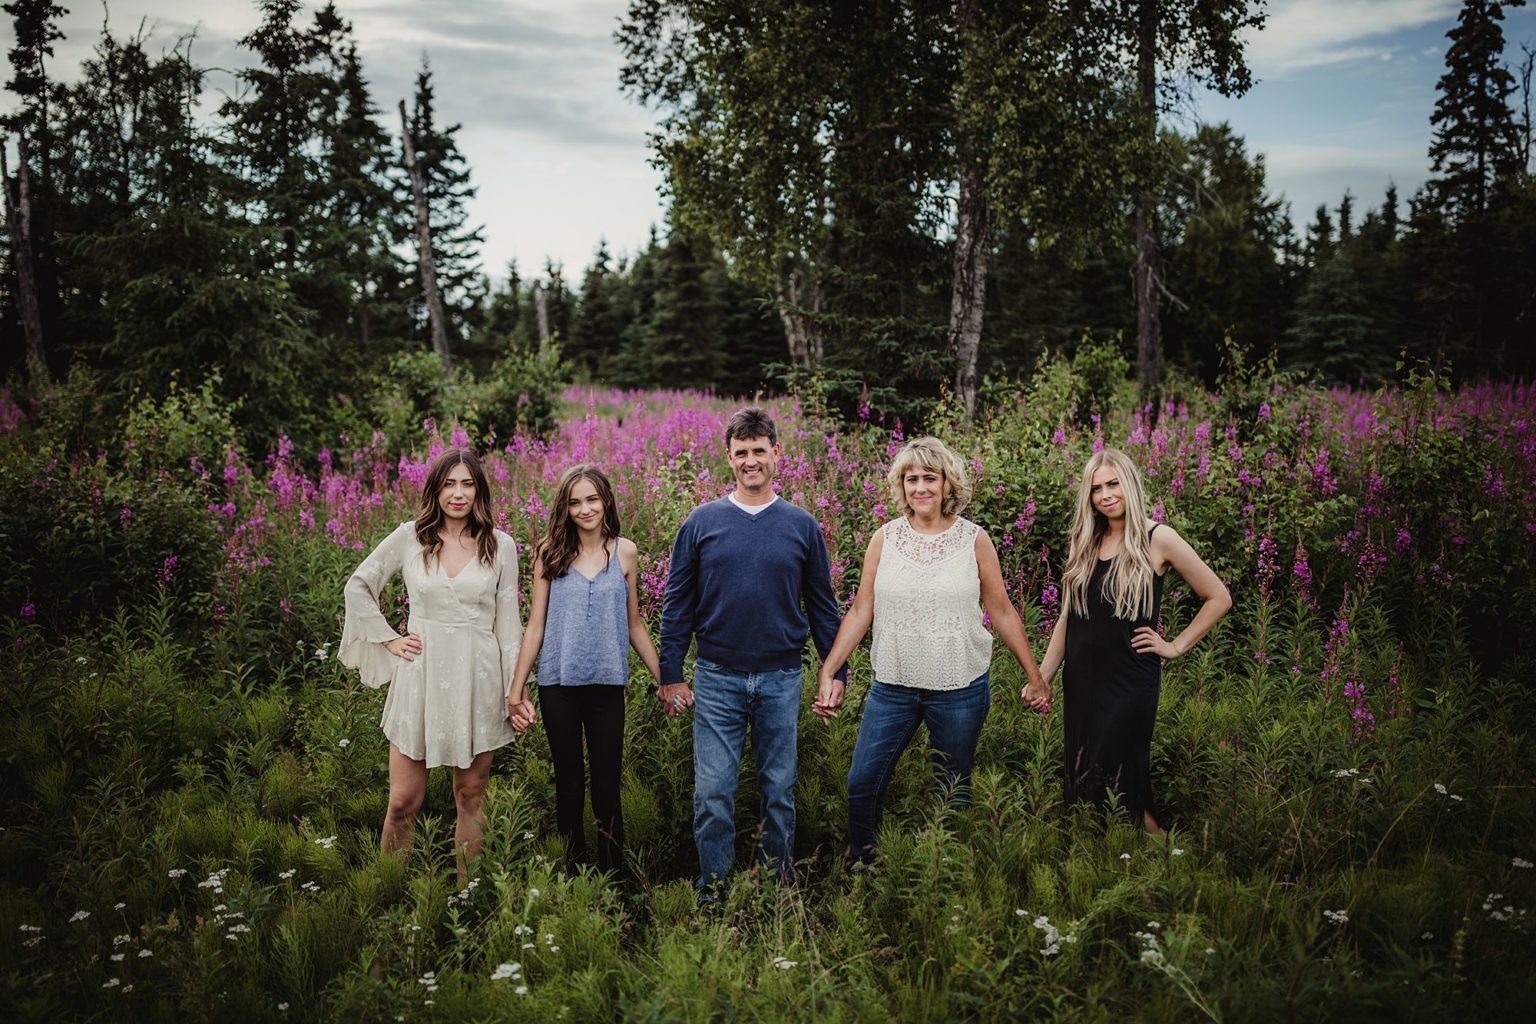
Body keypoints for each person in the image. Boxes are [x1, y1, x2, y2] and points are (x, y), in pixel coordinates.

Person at [814, 437, 1050, 864]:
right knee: (862, 782)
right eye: (911, 479)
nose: (920, 487)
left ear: (947, 485)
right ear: (901, 486)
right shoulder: (884, 539)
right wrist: (829, 669)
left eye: (929, 478)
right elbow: (860, 610)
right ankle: (863, 866)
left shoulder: (973, 540)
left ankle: (944, 871)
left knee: (952, 789)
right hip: (893, 685)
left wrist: (1036, 677)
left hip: (959, 686)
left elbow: (1002, 610)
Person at [657, 407, 846, 896]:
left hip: (782, 676)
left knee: (778, 793)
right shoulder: (701, 523)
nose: (750, 460)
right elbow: (677, 606)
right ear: (729, 457)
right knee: (712, 794)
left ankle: (775, 889)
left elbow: (824, 608)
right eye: (741, 452)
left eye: (759, 450)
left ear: (776, 454)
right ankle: (714, 890)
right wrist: (671, 674)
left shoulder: (802, 526)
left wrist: (836, 671)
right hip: (717, 678)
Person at [339, 448, 521, 878]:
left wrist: (516, 691)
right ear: (435, 489)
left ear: (479, 490)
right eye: (449, 484)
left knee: (470, 795)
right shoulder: (410, 537)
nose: (458, 494)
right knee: (403, 801)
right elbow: (359, 585)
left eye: (467, 483)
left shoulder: (501, 545)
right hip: (420, 676)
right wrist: (388, 639)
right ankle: (387, 891)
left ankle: (467, 895)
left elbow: (510, 626)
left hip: (478, 679)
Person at [1035, 447, 1231, 834]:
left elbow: (1218, 597)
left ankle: (1162, 853)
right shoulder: (1085, 541)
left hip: (1129, 681)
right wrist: (1043, 677)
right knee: (1085, 773)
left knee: (1122, 774)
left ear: (1130, 485)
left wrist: (1175, 646)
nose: (1106, 495)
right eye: (1096, 489)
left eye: (1113, 484)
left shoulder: (1159, 538)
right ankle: (1108, 862)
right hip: (1082, 682)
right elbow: (1067, 618)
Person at [505, 464, 660, 874]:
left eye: (592, 499)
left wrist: (668, 678)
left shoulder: (625, 552)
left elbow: (634, 625)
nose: (585, 509)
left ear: (606, 500)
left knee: (608, 788)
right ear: (565, 508)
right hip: (559, 684)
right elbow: (535, 624)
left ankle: (613, 877)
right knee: (570, 784)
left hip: (608, 684)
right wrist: (517, 688)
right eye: (575, 502)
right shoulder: (548, 552)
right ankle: (573, 875)